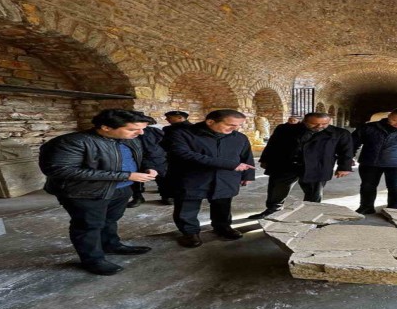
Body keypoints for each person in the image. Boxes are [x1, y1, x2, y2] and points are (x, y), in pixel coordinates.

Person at [39, 109, 158, 275]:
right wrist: (126, 175)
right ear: (106, 127)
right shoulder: (71, 142)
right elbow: (61, 170)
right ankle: (93, 260)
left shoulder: (129, 139)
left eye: (142, 129)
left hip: (122, 189)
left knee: (110, 220)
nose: (141, 133)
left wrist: (149, 167)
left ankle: (111, 245)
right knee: (89, 226)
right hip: (85, 193)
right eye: (133, 129)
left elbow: (139, 157)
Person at [164, 109, 255, 248]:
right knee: (187, 208)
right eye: (230, 125)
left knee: (223, 206)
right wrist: (231, 165)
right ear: (210, 122)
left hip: (226, 178)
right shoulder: (182, 134)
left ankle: (223, 227)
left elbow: (246, 156)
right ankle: (189, 233)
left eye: (238, 125)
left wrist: (248, 175)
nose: (235, 128)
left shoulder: (239, 137)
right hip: (192, 178)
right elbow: (183, 155)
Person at [249, 112, 353, 218]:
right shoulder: (285, 129)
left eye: (324, 124)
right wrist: (265, 160)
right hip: (285, 165)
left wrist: (344, 167)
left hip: (317, 167)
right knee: (276, 190)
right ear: (304, 121)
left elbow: (346, 151)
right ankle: (273, 210)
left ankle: (309, 215)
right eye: (314, 124)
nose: (319, 126)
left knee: (314, 193)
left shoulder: (340, 133)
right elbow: (272, 145)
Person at [127, 113, 173, 208]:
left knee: (161, 177)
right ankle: (138, 197)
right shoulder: (128, 133)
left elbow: (164, 144)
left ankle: (166, 195)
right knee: (136, 179)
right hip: (136, 158)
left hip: (156, 157)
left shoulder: (154, 131)